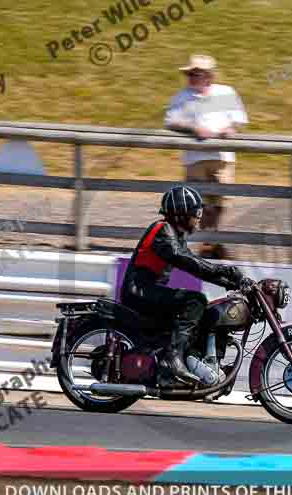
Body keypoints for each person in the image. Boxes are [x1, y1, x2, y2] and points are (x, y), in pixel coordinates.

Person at [121, 185, 244, 385]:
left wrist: (232, 282)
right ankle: (171, 361)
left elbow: (195, 265)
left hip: (149, 291)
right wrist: (224, 270)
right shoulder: (162, 230)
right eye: (196, 214)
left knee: (202, 309)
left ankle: (189, 359)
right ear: (180, 214)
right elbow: (184, 259)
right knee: (195, 300)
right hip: (139, 292)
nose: (198, 219)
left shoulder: (175, 235)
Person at [164, 54, 249, 259]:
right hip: (195, 159)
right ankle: (209, 245)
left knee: (220, 203)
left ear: (208, 76)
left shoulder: (226, 92)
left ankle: (211, 243)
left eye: (196, 74)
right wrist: (193, 128)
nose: (191, 77)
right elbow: (170, 121)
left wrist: (230, 128)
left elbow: (239, 119)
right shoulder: (182, 96)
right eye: (190, 74)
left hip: (222, 157)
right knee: (198, 204)